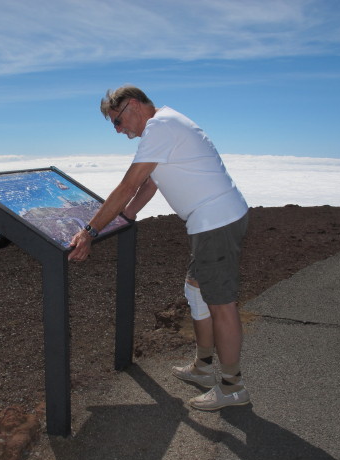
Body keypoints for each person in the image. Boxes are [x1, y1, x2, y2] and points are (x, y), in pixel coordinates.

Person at [68, 85, 250, 410]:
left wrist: (90, 231)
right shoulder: (166, 124)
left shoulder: (160, 126)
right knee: (196, 290)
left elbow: (129, 184)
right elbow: (151, 183)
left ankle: (233, 387)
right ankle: (205, 367)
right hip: (212, 220)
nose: (120, 132)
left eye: (118, 122)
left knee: (222, 304)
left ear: (134, 105)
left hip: (215, 222)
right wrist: (125, 216)